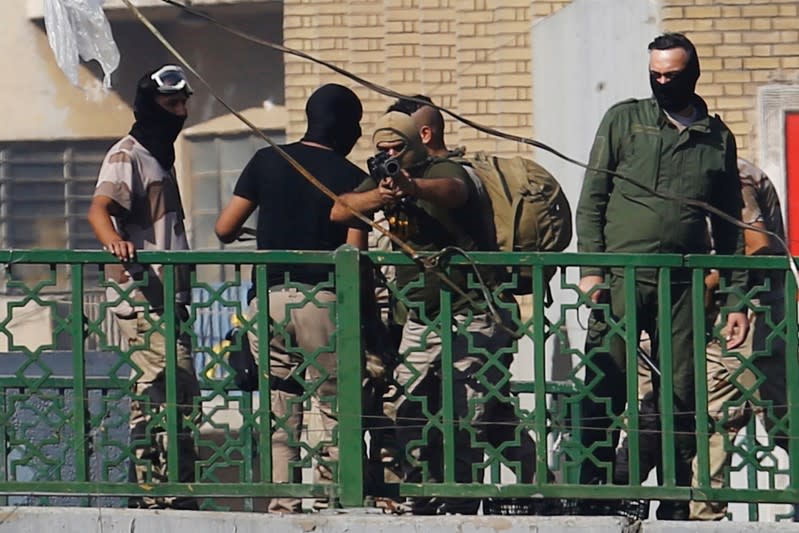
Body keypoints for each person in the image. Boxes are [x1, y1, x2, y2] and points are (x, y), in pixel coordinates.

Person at [575, 33, 749, 520]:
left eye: (672, 75)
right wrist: (592, 270)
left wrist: (735, 298)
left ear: (692, 74)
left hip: (683, 283)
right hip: (622, 279)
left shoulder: (716, 136)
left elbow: (730, 222)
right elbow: (593, 199)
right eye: (655, 74)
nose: (662, 83)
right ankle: (593, 493)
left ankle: (674, 498)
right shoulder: (625, 120)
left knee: (682, 390)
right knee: (604, 384)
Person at [332, 111, 537, 515]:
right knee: (410, 404)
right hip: (423, 316)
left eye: (397, 149)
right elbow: (340, 211)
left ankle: (467, 497)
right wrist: (381, 195)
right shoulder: (383, 177)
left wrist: (414, 187)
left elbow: (453, 190)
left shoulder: (442, 167)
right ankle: (422, 491)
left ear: (415, 145)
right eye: (383, 151)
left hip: (473, 309)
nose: (390, 157)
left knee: (470, 413)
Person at [214, 83, 369, 514]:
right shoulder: (353, 177)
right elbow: (353, 253)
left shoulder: (266, 159)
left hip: (268, 300)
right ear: (347, 127)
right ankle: (333, 501)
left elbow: (225, 229)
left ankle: (283, 502)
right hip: (323, 300)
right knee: (336, 404)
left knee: (280, 405)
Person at [87, 65, 199, 510]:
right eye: (171, 105)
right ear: (150, 107)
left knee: (176, 393)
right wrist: (114, 241)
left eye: (183, 103)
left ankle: (169, 490)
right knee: (166, 390)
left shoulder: (160, 155)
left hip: (169, 298)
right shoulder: (128, 154)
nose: (181, 112)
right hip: (143, 298)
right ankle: (160, 494)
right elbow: (100, 208)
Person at [689, 159, 788, 520]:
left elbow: (758, 245)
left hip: (753, 317)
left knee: (783, 420)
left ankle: (704, 512)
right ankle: (703, 514)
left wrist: (714, 282)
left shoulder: (730, 175)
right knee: (716, 421)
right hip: (735, 319)